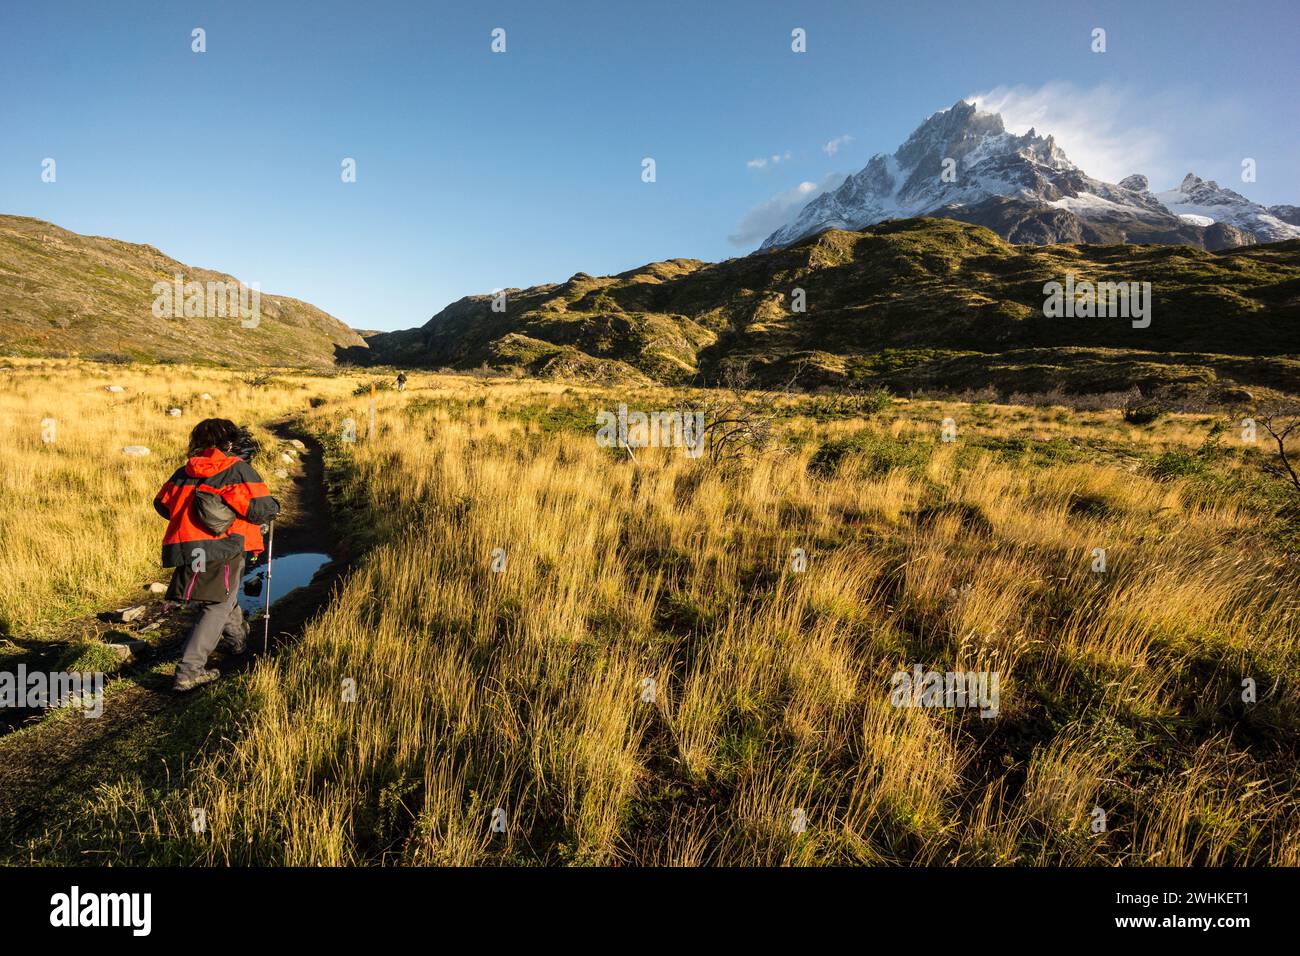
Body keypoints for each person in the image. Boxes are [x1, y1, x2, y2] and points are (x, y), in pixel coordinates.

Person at [154, 419, 280, 692]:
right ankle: (189, 672)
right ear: (230, 442)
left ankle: (237, 639)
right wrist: (274, 507)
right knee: (216, 605)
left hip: (188, 547)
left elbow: (162, 504)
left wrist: (190, 521)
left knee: (221, 596)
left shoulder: (184, 471)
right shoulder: (237, 470)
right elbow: (261, 510)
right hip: (223, 548)